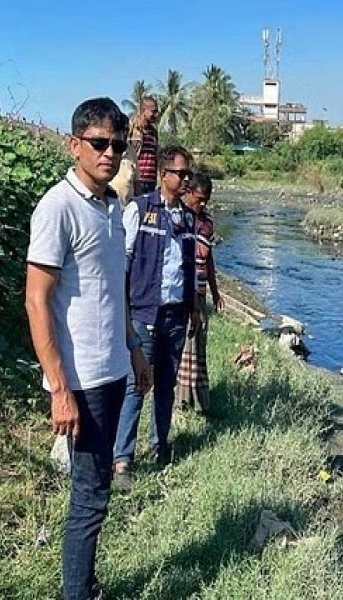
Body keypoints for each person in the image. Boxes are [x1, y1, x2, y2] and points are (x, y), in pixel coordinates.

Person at [25, 97, 151, 600]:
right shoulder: (58, 206)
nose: (109, 153)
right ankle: (76, 593)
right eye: (99, 143)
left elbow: (114, 287)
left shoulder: (112, 207)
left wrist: (133, 348)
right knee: (89, 496)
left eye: (117, 145)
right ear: (74, 145)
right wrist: (58, 388)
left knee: (95, 491)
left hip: (114, 368)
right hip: (79, 379)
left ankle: (86, 586)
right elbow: (37, 300)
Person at [113, 145, 199, 488]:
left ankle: (161, 446)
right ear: (164, 174)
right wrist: (125, 311)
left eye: (188, 173)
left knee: (167, 386)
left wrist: (195, 306)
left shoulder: (188, 218)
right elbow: (123, 263)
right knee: (138, 386)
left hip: (176, 317)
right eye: (181, 173)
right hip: (144, 314)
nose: (186, 179)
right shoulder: (140, 209)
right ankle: (122, 461)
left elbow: (190, 267)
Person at [176, 173, 224, 414]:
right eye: (199, 198)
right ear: (188, 193)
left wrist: (216, 294)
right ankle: (179, 399)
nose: (202, 204)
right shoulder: (178, 218)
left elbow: (209, 260)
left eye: (206, 199)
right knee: (182, 344)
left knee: (198, 343)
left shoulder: (206, 223)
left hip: (201, 292)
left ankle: (195, 398)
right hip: (181, 293)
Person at [133, 97, 159, 196]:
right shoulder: (133, 130)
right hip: (137, 180)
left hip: (150, 181)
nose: (156, 115)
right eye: (153, 111)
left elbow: (155, 156)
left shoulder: (153, 132)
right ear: (144, 110)